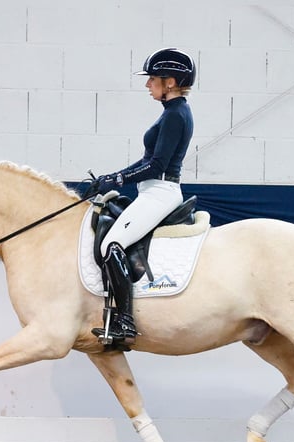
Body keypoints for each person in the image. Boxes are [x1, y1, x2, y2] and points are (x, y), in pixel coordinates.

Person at [90, 47, 196, 349]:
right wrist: (111, 177)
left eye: (152, 79)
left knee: (113, 244)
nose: (148, 85)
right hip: (152, 190)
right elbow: (144, 161)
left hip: (161, 191)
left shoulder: (176, 115)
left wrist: (119, 179)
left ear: (170, 82)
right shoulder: (171, 113)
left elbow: (157, 166)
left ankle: (124, 322)